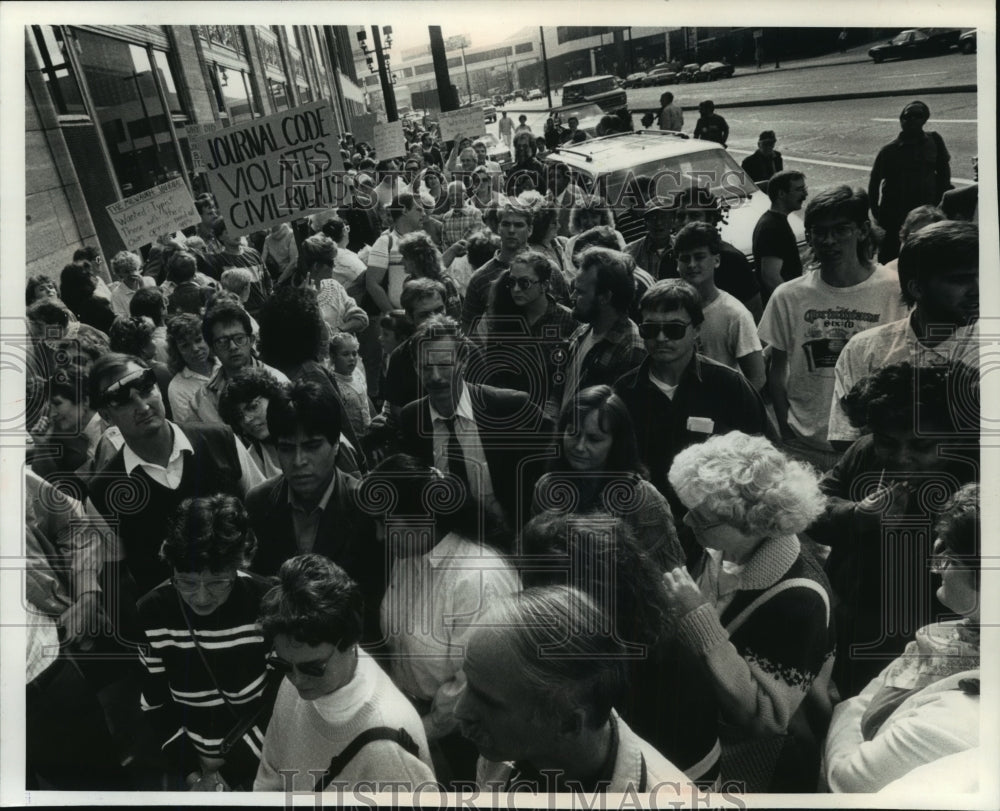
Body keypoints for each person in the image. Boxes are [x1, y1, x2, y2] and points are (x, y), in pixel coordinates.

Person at [663, 432, 835, 792]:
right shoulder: (717, 546)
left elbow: (767, 720)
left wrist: (699, 621)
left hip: (752, 767)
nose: (689, 523)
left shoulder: (801, 600)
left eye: (703, 519)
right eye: (689, 511)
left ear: (754, 522)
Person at [806, 362, 979, 699]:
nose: (901, 457)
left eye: (921, 447)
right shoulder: (864, 452)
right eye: (887, 442)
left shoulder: (977, 474)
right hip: (855, 613)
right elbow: (813, 506)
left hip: (934, 627)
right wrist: (855, 515)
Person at [518, 512, 721, 786]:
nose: (529, 602)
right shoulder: (641, 632)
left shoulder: (630, 666)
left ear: (586, 592)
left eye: (538, 589)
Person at [362, 455, 519, 782]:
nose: (378, 537)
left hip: (466, 743)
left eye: (384, 522)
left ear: (422, 516)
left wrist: (414, 733)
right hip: (416, 726)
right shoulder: (408, 554)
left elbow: (471, 687)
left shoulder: (478, 580)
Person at [454, 586, 690, 792]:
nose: (459, 710)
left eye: (486, 701)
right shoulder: (504, 752)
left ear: (569, 724)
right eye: (469, 685)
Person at [823, 484, 980, 792]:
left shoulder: (958, 719)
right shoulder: (963, 633)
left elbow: (847, 778)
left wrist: (847, 710)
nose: (938, 565)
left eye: (949, 554)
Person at [84, 352, 266, 616]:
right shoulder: (102, 494)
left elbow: (263, 516)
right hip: (178, 631)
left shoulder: (221, 440)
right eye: (122, 399)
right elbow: (120, 580)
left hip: (251, 610)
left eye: (146, 388)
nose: (143, 406)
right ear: (105, 415)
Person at [253, 555, 436, 791]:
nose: (297, 680)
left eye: (313, 668)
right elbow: (270, 776)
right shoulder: (297, 676)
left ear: (350, 643)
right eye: (283, 665)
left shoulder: (389, 745)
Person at [758, 185, 909, 469]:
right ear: (809, 236)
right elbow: (777, 369)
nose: (829, 240)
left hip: (869, 448)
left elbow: (903, 370)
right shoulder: (789, 296)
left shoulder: (894, 291)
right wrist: (785, 429)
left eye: (841, 230)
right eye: (819, 231)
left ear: (863, 230)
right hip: (803, 446)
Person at [138, 495, 277, 791]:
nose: (201, 597)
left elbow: (284, 698)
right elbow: (155, 704)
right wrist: (194, 776)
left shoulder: (267, 601)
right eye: (186, 582)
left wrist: (230, 770)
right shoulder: (152, 612)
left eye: (217, 582)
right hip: (194, 768)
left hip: (266, 762)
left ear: (239, 564)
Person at [613, 280, 771, 522]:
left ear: (696, 330)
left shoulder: (728, 386)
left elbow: (765, 459)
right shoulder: (623, 392)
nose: (662, 338)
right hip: (646, 525)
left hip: (716, 525)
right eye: (650, 329)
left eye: (674, 329)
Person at [244, 380, 382, 636]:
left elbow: (374, 601)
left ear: (336, 445)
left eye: (311, 446)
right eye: (286, 449)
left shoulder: (366, 506)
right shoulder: (259, 502)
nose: (298, 461)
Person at [828, 220, 979, 447]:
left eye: (983, 276)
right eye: (960, 279)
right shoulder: (864, 351)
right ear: (916, 288)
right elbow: (845, 441)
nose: (977, 290)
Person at [398, 315, 552, 537]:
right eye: (426, 367)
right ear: (414, 366)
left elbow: (554, 457)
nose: (436, 377)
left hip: (513, 538)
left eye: (444, 365)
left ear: (464, 360)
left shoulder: (508, 406)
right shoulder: (412, 419)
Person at [533, 385, 684, 571]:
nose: (579, 447)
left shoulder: (643, 499)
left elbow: (670, 579)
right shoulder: (548, 486)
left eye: (594, 439)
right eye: (572, 433)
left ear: (616, 443)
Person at [481, 250, 578, 416]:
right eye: (512, 282)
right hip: (510, 410)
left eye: (524, 283)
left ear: (544, 285)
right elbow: (494, 371)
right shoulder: (504, 318)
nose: (516, 289)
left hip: (552, 413)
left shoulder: (568, 320)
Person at [555, 247, 645, 414]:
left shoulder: (631, 347)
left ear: (605, 297)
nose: (572, 297)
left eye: (580, 292)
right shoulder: (582, 332)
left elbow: (616, 420)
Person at [674, 222, 765, 389]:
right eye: (685, 258)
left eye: (699, 257)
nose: (692, 265)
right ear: (677, 264)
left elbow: (757, 377)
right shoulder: (672, 308)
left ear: (716, 260)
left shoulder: (734, 314)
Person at [868, 100, 952, 263]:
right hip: (895, 216)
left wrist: (942, 199)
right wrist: (876, 211)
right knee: (891, 258)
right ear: (901, 120)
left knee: (927, 256)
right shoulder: (889, 150)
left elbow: (943, 170)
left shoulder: (934, 140)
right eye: (907, 116)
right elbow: (874, 182)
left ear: (924, 119)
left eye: (917, 115)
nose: (912, 119)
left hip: (925, 210)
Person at [190, 300, 289, 424]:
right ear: (212, 349)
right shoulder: (206, 397)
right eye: (222, 341)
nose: (233, 347)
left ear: (251, 340)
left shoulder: (278, 381)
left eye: (239, 338)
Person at [461, 201, 534, 335]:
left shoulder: (549, 269)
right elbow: (467, 329)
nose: (511, 230)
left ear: (530, 230)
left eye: (518, 225)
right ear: (498, 228)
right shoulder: (480, 277)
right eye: (506, 224)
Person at [218, 365, 287, 480]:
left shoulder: (308, 432)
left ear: (273, 397)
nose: (247, 419)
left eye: (253, 407)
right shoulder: (250, 460)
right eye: (239, 416)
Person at [752, 170, 807, 302]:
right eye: (799, 190)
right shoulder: (772, 228)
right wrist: (792, 304)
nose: (805, 194)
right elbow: (770, 277)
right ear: (781, 194)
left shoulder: (774, 221)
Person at [297, 233, 369, 334]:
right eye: (330, 262)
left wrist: (339, 330)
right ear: (316, 266)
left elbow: (361, 319)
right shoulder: (297, 298)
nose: (334, 265)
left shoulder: (334, 286)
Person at [203, 219, 271, 319]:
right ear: (220, 237)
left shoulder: (253, 253)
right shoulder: (218, 260)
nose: (236, 234)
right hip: (241, 314)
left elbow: (267, 279)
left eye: (236, 229)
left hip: (264, 310)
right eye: (229, 231)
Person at [165, 313, 220, 424]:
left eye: (198, 340)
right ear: (177, 351)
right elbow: (193, 430)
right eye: (185, 345)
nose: (195, 349)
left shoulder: (224, 362)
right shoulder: (177, 388)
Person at [398, 230, 463, 321]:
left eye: (405, 257)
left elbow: (455, 318)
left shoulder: (445, 282)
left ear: (417, 259)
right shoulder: (409, 282)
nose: (401, 262)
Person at [327, 331, 371, 441]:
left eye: (354, 353)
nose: (352, 358)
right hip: (350, 440)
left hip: (368, 435)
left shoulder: (358, 373)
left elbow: (366, 400)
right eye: (345, 354)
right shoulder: (332, 383)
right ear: (333, 357)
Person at [60, 261, 116, 335]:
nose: (94, 277)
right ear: (83, 281)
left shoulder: (69, 310)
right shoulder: (97, 304)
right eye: (90, 275)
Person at [107, 250, 155, 318]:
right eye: (127, 271)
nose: (132, 274)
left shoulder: (149, 281)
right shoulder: (116, 295)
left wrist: (143, 287)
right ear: (119, 274)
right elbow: (123, 321)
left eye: (134, 269)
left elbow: (157, 307)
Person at [440, 180, 484, 251]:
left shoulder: (475, 213)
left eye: (457, 194)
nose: (454, 198)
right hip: (452, 260)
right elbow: (445, 244)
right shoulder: (446, 217)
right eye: (451, 195)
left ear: (464, 195)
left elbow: (475, 241)